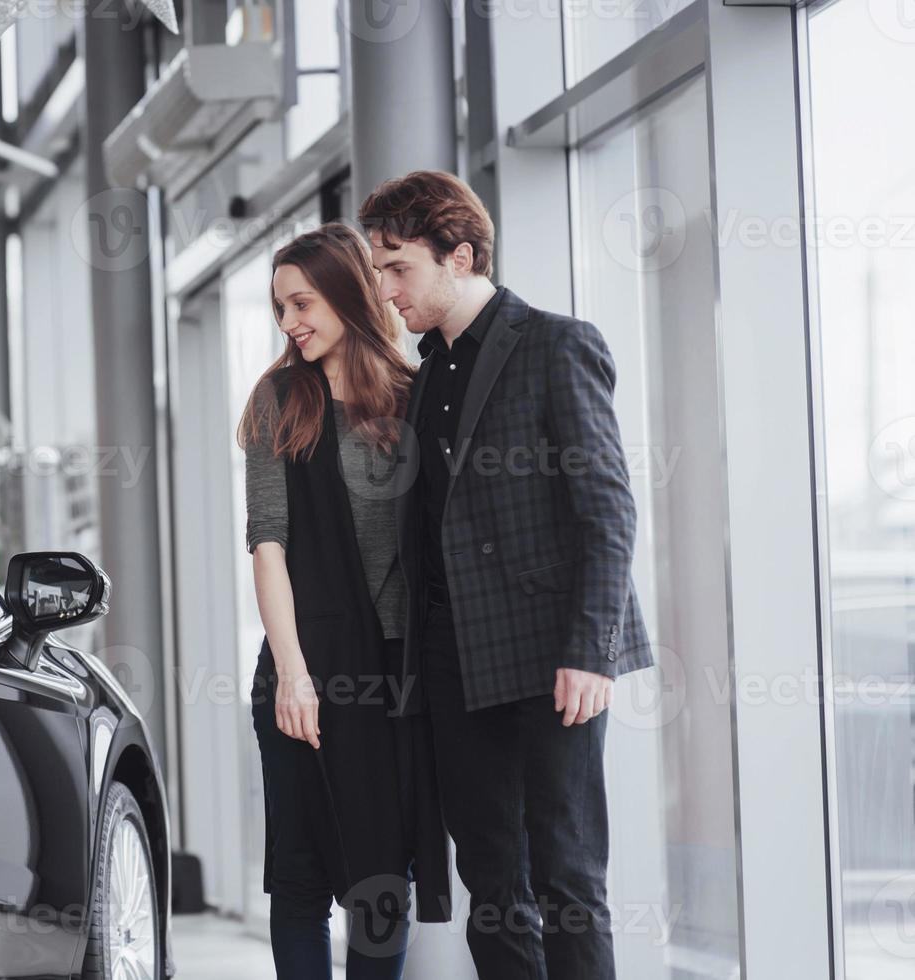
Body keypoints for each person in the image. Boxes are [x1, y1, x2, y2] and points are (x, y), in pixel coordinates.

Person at [359, 170, 655, 979]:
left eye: (397, 268)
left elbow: (608, 508)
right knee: (489, 876)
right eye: (379, 271)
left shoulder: (559, 343)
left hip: (552, 654)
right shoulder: (428, 378)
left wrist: (591, 650)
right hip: (457, 663)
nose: (386, 290)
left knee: (566, 871)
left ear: (460, 256)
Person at [238, 222, 452, 980]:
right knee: (299, 877)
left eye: (301, 302)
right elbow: (269, 544)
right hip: (303, 669)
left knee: (380, 882)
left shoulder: (416, 395)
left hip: (396, 676)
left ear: (348, 293)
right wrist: (292, 673)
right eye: (281, 309)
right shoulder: (278, 400)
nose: (291, 322)